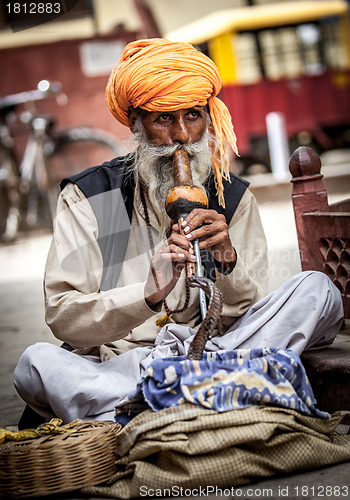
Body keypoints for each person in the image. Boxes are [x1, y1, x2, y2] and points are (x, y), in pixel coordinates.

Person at [14, 38, 343, 424]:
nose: (183, 136)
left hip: (217, 351)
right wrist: (145, 296)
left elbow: (246, 310)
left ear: (208, 116)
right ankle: (223, 393)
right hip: (125, 364)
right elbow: (64, 317)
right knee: (35, 365)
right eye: (164, 119)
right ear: (137, 124)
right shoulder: (89, 196)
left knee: (317, 291)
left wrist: (228, 260)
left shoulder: (231, 197)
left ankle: (154, 406)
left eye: (193, 115)